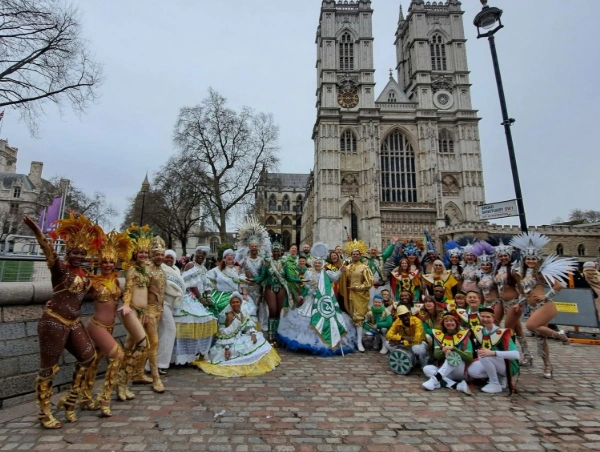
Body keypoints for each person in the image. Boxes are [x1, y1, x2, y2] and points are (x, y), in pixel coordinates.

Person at [23, 213, 103, 429]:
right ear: (68, 252)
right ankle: (44, 411)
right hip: (54, 322)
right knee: (48, 368)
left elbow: (97, 292)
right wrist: (37, 231)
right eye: (75, 252)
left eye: (82, 253)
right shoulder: (60, 269)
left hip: (73, 322)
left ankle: (70, 400)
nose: (79, 256)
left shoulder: (86, 276)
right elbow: (47, 249)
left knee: (88, 357)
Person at [510, 232, 576, 379]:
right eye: (528, 258)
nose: (531, 261)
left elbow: (559, 285)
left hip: (545, 306)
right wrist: (519, 304)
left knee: (530, 326)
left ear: (538, 259)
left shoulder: (542, 273)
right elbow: (524, 293)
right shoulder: (522, 273)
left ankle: (558, 334)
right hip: (532, 307)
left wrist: (545, 296)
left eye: (533, 258)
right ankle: (547, 365)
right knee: (540, 338)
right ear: (524, 259)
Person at [82, 230, 132, 417]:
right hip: (97, 327)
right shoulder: (93, 282)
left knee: (93, 363)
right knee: (118, 357)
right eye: (105, 262)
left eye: (111, 261)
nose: (108, 264)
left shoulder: (116, 282)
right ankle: (105, 399)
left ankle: (85, 398)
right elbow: (73, 294)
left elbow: (127, 293)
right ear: (99, 263)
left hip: (109, 329)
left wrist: (126, 302)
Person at [278, 243, 356, 355]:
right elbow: (305, 285)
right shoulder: (309, 273)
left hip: (323, 301)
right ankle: (306, 341)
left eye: (319, 263)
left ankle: (324, 341)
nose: (318, 264)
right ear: (313, 264)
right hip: (311, 300)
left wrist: (340, 271)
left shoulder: (326, 272)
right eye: (316, 263)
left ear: (322, 263)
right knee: (309, 320)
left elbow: (334, 278)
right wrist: (309, 291)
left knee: (325, 319)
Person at [197, 293, 280, 377]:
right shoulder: (229, 315)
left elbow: (248, 324)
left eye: (237, 302)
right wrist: (227, 348)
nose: (236, 304)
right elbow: (225, 333)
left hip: (240, 336)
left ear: (240, 303)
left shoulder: (243, 313)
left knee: (259, 340)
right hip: (230, 341)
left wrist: (252, 334)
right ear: (230, 304)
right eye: (233, 302)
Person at [117, 224, 153, 401]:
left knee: (130, 347)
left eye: (146, 252)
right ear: (135, 253)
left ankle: (124, 380)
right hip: (131, 311)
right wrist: (125, 304)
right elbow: (129, 289)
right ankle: (122, 381)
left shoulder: (145, 269)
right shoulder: (132, 270)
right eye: (141, 252)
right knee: (143, 345)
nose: (144, 255)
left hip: (142, 312)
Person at [172, 246, 217, 365]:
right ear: (195, 255)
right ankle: (186, 354)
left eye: (203, 254)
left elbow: (206, 284)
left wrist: (209, 298)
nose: (201, 256)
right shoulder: (191, 265)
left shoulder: (203, 268)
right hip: (189, 297)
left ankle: (197, 352)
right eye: (199, 253)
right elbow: (192, 285)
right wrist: (200, 298)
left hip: (198, 298)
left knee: (207, 318)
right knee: (193, 320)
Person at [254, 240, 302, 343]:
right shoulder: (267, 261)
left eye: (278, 251)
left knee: (278, 311)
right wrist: (251, 279)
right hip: (270, 287)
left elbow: (288, 277)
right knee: (272, 310)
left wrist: (300, 280)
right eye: (274, 251)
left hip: (281, 287)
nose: (276, 253)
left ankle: (276, 333)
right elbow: (262, 276)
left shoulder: (284, 262)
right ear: (272, 251)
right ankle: (270, 335)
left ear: (280, 251)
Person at [493, 240, 532, 366]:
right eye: (501, 256)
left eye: (505, 256)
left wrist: (520, 303)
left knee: (507, 329)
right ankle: (527, 355)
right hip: (503, 302)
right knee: (518, 329)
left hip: (514, 303)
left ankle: (506, 355)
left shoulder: (514, 270)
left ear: (509, 256)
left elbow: (523, 288)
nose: (503, 258)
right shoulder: (498, 269)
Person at [138, 236, 167, 393]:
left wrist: (161, 310)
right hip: (148, 311)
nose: (160, 257)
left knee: (146, 344)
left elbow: (162, 292)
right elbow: (141, 293)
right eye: (157, 254)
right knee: (154, 343)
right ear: (152, 254)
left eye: (162, 255)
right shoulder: (146, 270)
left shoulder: (161, 270)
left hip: (157, 311)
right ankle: (156, 378)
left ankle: (138, 373)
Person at [467, 307, 520, 393]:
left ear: (494, 318)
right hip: (493, 361)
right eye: (482, 316)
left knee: (483, 353)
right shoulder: (480, 331)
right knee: (472, 371)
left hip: (509, 366)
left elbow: (516, 355)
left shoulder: (501, 332)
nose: (485, 319)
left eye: (488, 317)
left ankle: (494, 383)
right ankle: (499, 379)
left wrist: (493, 353)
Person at [422, 314, 472, 394]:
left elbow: (469, 358)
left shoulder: (464, 336)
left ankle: (434, 380)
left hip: (460, 370)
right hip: (446, 371)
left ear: (456, 323)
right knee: (426, 369)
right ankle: (457, 386)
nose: (449, 323)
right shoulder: (439, 336)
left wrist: (454, 349)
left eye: (451, 321)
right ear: (443, 324)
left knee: (452, 356)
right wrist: (444, 351)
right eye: (446, 321)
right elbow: (437, 355)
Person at [339, 240, 374, 352]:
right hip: (349, 295)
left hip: (360, 296)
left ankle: (360, 342)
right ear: (351, 255)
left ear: (360, 255)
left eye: (357, 254)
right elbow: (343, 280)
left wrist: (357, 288)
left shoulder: (364, 267)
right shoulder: (348, 267)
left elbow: (369, 283)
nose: (355, 255)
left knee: (359, 318)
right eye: (353, 254)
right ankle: (353, 339)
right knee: (351, 316)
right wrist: (343, 271)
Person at [157, 249, 184, 374]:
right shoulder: (160, 268)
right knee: (169, 330)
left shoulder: (176, 270)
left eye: (171, 258)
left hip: (171, 304)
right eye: (166, 257)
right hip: (162, 302)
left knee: (162, 332)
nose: (168, 260)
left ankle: (153, 363)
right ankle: (160, 363)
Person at [206, 249, 250, 316]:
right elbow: (209, 281)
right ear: (224, 258)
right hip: (220, 295)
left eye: (231, 255)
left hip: (234, 294)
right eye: (227, 255)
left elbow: (242, 282)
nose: (229, 257)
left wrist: (244, 294)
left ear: (234, 258)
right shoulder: (217, 270)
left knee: (247, 309)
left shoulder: (238, 269)